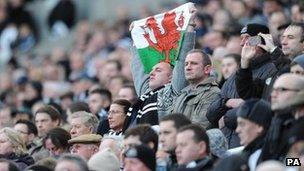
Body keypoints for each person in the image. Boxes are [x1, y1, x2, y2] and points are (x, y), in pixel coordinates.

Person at [207, 23, 277, 148]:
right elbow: (211, 112)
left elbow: (258, 109)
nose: (242, 43)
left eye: (247, 37)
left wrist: (226, 117)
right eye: (241, 38)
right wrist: (227, 102)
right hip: (226, 145)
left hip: (250, 144)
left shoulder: (273, 70)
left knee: (293, 163)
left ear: (260, 40)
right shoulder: (237, 73)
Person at [126, 6, 196, 126]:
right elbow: (138, 69)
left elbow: (182, 58)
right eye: (152, 70)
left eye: (158, 70)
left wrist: (190, 25)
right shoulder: (145, 93)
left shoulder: (174, 90)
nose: (151, 73)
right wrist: (136, 39)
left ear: (171, 77)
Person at [259, 73, 304, 162]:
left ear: (300, 93)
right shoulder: (278, 122)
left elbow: (298, 163)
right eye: (273, 90)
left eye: (281, 90)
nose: (273, 94)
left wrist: (283, 164)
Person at [171, 49, 220, 128]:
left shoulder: (213, 93)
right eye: (186, 64)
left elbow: (199, 127)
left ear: (207, 69)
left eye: (193, 63)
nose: (188, 67)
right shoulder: (183, 93)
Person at [235, 99, 273, 171]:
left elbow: (298, 162)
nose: (237, 130)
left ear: (259, 126)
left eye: (242, 124)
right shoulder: (244, 152)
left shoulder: (275, 151)